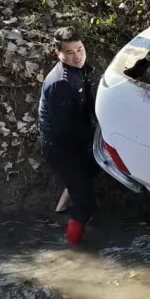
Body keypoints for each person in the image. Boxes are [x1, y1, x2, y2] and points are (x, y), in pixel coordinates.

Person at [38, 27, 96, 245]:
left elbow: (88, 104)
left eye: (80, 49)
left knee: (95, 165)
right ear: (58, 54)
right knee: (86, 202)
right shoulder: (61, 82)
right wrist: (97, 135)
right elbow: (66, 130)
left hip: (75, 138)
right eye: (70, 52)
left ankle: (62, 205)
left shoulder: (80, 68)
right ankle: (72, 251)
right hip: (61, 147)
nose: (77, 55)